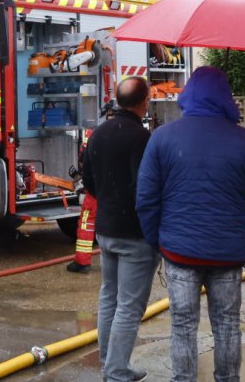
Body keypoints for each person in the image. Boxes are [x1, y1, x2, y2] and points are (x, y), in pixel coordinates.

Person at [136, 66, 245, 382]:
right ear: (226, 98)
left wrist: (158, 242)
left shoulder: (162, 137)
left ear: (188, 95)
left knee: (182, 325)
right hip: (228, 254)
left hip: (179, 252)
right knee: (227, 323)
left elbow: (145, 199)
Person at [84, 76, 157, 382]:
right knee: (129, 305)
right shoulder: (140, 137)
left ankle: (109, 361)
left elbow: (88, 181)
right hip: (134, 233)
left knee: (109, 297)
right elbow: (146, 186)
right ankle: (116, 370)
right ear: (144, 102)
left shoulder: (98, 133)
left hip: (106, 228)